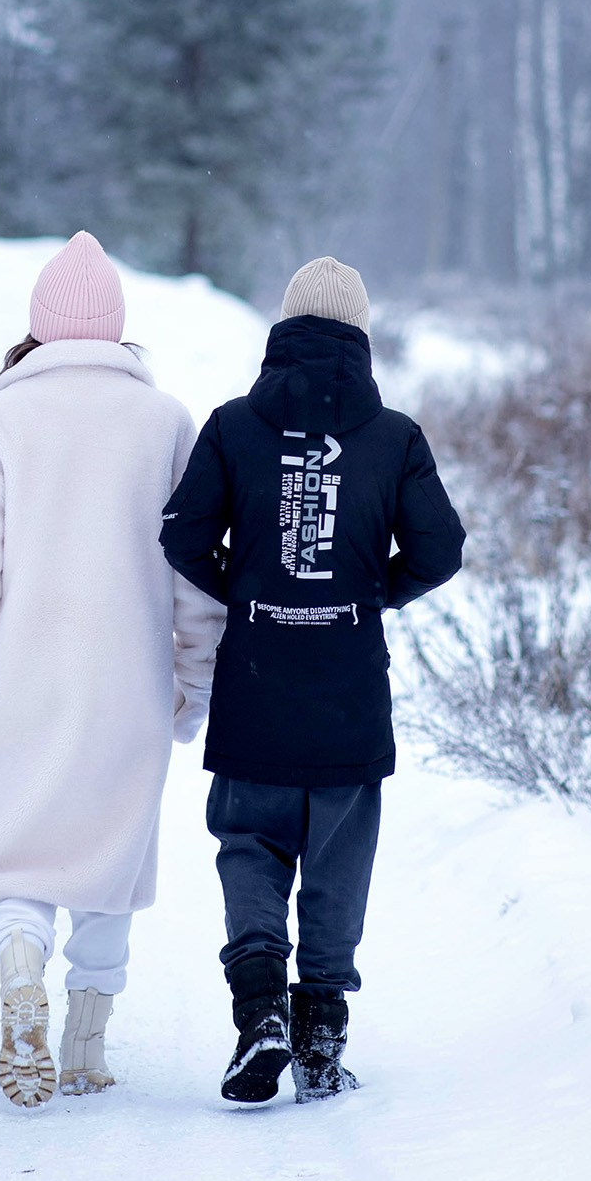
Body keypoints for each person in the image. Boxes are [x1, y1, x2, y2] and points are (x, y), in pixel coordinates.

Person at [0, 232, 225, 1108]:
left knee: (20, 855)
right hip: (129, 680)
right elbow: (194, 569)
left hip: (26, 676)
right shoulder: (166, 421)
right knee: (112, 859)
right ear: (116, 329)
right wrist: (191, 679)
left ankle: (21, 968)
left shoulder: (0, 418)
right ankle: (86, 1044)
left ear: (37, 330)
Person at [160, 256, 464, 1105]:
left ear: (282, 332)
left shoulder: (232, 425)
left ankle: (259, 1015)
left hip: (257, 674)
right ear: (361, 338)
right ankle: (321, 1041)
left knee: (249, 844)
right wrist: (371, 593)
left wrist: (249, 585)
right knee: (338, 859)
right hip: (349, 686)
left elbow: (182, 536)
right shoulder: (394, 435)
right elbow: (442, 550)